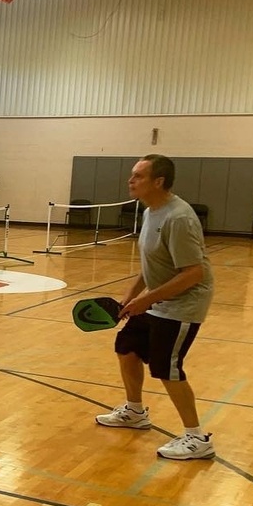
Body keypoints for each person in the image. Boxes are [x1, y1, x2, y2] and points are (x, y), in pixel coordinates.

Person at [95, 154, 216, 460]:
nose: (130, 180)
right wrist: (129, 297)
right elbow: (153, 266)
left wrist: (145, 300)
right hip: (158, 298)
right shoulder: (151, 211)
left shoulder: (179, 218)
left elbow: (193, 273)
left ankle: (197, 437)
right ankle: (135, 412)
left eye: (138, 176)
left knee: (166, 366)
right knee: (127, 347)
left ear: (158, 182)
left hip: (184, 303)